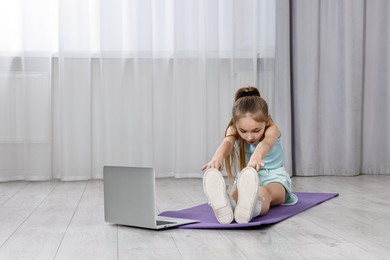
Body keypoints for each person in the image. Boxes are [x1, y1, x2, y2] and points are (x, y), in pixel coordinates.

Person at [201, 86, 298, 224]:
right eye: (243, 131)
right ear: (236, 124)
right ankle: (227, 204)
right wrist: (217, 157)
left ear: (266, 120)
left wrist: (257, 156)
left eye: (256, 130)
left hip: (274, 177)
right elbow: (227, 143)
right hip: (247, 176)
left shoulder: (272, 129)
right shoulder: (233, 129)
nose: (250, 136)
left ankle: (251, 210)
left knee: (264, 192)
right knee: (236, 193)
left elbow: (267, 143)